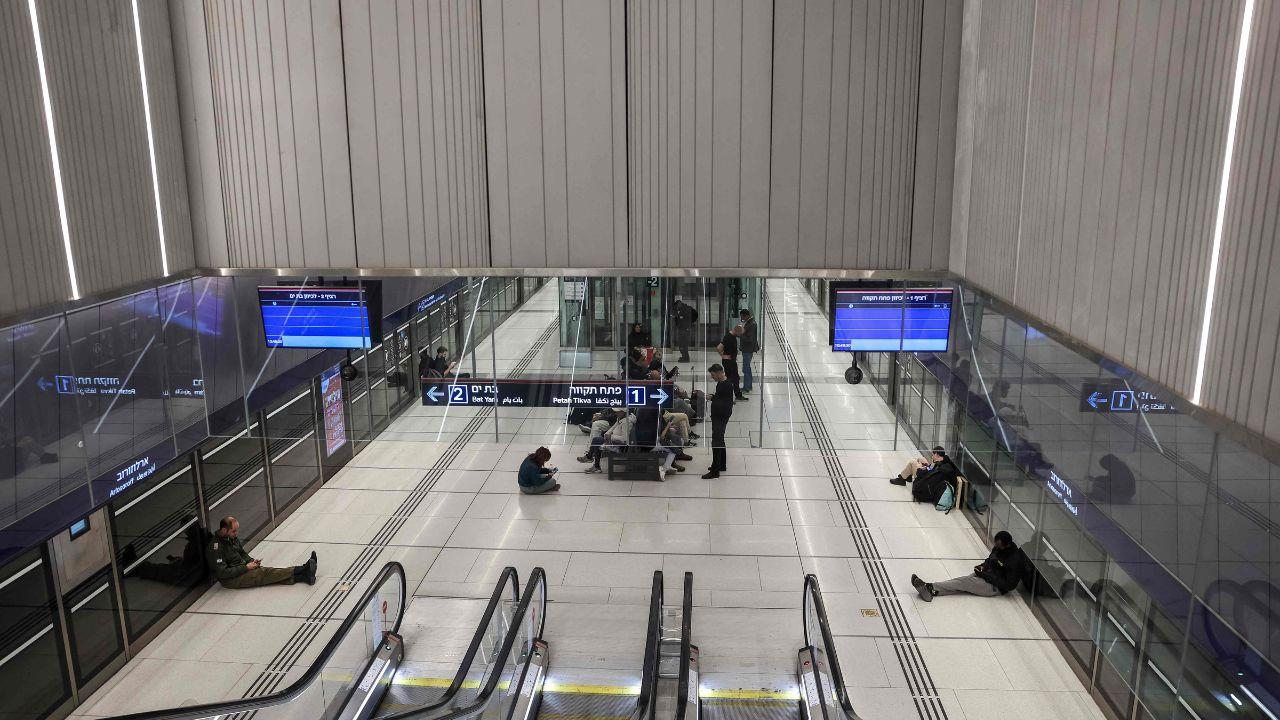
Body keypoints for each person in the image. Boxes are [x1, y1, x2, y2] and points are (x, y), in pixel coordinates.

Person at [911, 531, 1031, 601]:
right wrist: (982, 566)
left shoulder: (1015, 561)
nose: (995, 546)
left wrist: (985, 575)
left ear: (1007, 545)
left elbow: (1009, 585)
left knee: (964, 582)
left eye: (998, 545)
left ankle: (929, 587)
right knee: (961, 583)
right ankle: (931, 591)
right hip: (988, 575)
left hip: (995, 588)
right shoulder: (999, 548)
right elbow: (990, 560)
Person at [206, 516, 316, 589]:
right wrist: (246, 568)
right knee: (263, 574)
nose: (236, 533)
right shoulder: (216, 548)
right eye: (233, 531)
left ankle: (304, 577)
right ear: (224, 530)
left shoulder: (231, 538)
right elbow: (222, 573)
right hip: (231, 580)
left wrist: (251, 561)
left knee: (264, 574)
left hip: (241, 569)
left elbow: (242, 553)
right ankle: (302, 569)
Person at [703, 364, 734, 479]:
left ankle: (715, 470)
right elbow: (722, 398)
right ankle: (721, 464)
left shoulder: (726, 385)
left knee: (716, 442)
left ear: (719, 372)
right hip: (720, 416)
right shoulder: (723, 383)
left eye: (713, 375)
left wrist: (712, 398)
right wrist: (714, 396)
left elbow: (724, 402)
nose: (712, 377)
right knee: (720, 440)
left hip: (720, 417)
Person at [581, 408, 633, 473]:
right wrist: (607, 434)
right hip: (613, 440)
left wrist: (611, 437)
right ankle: (592, 460)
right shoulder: (621, 418)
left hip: (618, 444)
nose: (615, 413)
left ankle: (591, 460)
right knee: (596, 440)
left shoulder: (626, 423)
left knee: (597, 441)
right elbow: (613, 427)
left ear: (623, 412)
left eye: (617, 411)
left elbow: (624, 439)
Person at [717, 325, 748, 402]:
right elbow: (719, 348)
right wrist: (723, 356)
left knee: (733, 378)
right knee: (732, 379)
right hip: (729, 362)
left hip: (731, 361)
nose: (740, 336)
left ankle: (735, 395)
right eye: (740, 334)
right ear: (737, 331)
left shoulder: (731, 336)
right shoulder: (728, 337)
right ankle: (730, 396)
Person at [738, 309, 759, 394]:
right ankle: (748, 386)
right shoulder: (750, 322)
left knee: (746, 368)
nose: (741, 318)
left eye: (742, 316)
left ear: (746, 315)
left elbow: (749, 339)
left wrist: (740, 335)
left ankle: (746, 388)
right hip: (747, 348)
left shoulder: (752, 324)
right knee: (746, 368)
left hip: (748, 349)